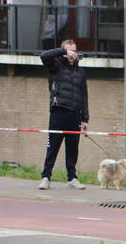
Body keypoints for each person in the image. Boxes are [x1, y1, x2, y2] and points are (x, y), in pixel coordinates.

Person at [38, 39, 88, 190]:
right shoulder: (55, 65)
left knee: (73, 148)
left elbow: (84, 95)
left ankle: (72, 178)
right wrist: (64, 51)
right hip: (58, 110)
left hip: (75, 114)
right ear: (64, 52)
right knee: (52, 146)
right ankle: (46, 177)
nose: (74, 54)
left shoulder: (80, 72)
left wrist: (85, 118)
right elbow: (44, 56)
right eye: (70, 51)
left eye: (75, 50)